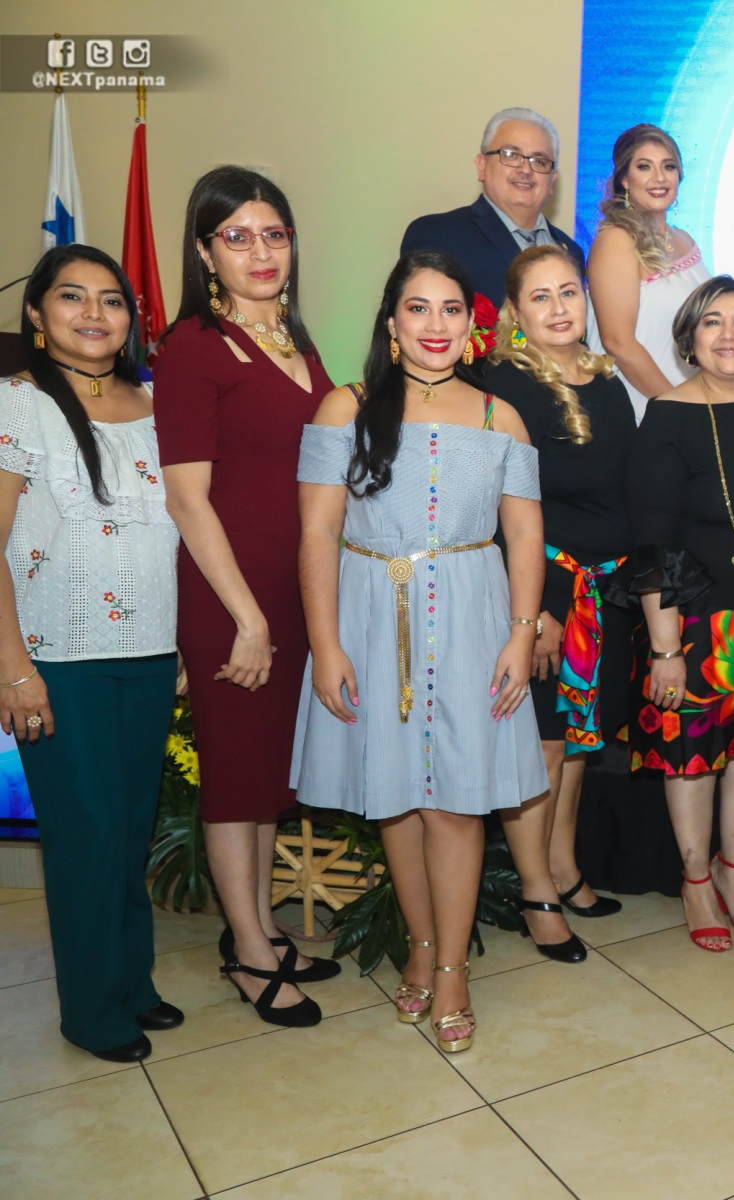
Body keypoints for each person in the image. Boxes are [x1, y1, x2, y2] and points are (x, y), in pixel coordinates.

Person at [293, 251, 550, 1054]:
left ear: (472, 325)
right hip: (374, 614)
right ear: (391, 321)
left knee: (456, 802)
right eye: (418, 308)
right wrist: (326, 643)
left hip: (473, 617)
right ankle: (421, 944)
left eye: (451, 309)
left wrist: (521, 632)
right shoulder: (346, 407)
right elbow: (318, 532)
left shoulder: (500, 417)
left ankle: (451, 972)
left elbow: (526, 535)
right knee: (396, 797)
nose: (435, 325)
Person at [158, 166, 340, 1027]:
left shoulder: (295, 342)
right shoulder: (193, 346)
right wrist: (248, 618)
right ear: (205, 252)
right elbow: (187, 498)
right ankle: (247, 955)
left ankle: (259, 927)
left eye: (274, 234)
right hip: (232, 598)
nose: (260, 252)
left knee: (268, 772)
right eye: (237, 237)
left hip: (295, 588)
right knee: (235, 774)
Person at [1, 246, 182, 1062]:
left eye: (111, 300)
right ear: (36, 313)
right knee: (86, 833)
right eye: (71, 297)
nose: (93, 314)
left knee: (130, 827)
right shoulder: (17, 403)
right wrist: (13, 668)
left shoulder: (156, 401)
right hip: (57, 659)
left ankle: (131, 982)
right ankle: (89, 1007)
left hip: (150, 652)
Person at [615, 276, 734, 952]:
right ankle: (696, 879)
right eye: (712, 321)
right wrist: (664, 648)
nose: (729, 334)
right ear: (690, 339)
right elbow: (652, 544)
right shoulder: (667, 414)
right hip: (692, 618)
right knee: (691, 756)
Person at [486, 245, 639, 960]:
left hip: (604, 593)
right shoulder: (503, 386)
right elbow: (496, 508)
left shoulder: (606, 380)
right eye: (540, 296)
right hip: (546, 593)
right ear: (516, 312)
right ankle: (536, 893)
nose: (558, 308)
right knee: (544, 745)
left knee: (579, 743)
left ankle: (565, 867)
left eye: (568, 292)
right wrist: (533, 611)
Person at [399, 108, 584, 312]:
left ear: (552, 180)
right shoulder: (438, 236)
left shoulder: (572, 252)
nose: (525, 169)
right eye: (511, 155)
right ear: (482, 166)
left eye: (539, 161)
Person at [589, 124, 708, 420]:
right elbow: (618, 342)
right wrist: (679, 408)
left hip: (693, 400)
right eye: (644, 167)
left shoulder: (685, 240)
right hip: (645, 408)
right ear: (624, 179)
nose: (659, 177)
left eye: (668, 166)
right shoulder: (616, 240)